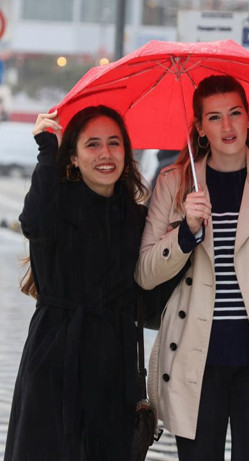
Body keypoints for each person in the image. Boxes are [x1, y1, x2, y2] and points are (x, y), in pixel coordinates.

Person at [135, 75, 249, 460]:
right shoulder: (175, 182)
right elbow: (145, 273)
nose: (227, 126)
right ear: (200, 127)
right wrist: (186, 231)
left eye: (235, 113)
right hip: (194, 356)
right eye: (214, 117)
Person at [5, 107, 149, 460]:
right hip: (56, 354)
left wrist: (187, 232)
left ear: (126, 152)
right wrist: (46, 152)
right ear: (73, 156)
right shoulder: (55, 203)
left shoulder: (138, 217)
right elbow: (32, 223)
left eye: (114, 143)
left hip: (114, 362)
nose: (105, 153)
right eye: (93, 144)